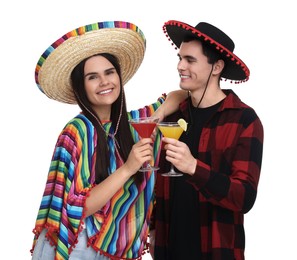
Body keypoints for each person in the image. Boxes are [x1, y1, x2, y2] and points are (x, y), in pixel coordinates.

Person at [30, 21, 186, 260]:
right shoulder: (77, 131)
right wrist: (129, 168)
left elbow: (180, 95)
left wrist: (159, 115)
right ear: (81, 87)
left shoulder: (135, 125)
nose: (104, 82)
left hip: (113, 252)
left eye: (109, 72)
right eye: (93, 77)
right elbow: (78, 207)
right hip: (77, 248)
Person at [150, 20, 264, 260]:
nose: (180, 66)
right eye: (180, 58)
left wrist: (193, 167)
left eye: (190, 60)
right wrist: (152, 226)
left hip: (216, 252)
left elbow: (244, 197)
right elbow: (157, 180)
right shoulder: (172, 114)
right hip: (168, 250)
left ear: (217, 67)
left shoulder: (244, 120)